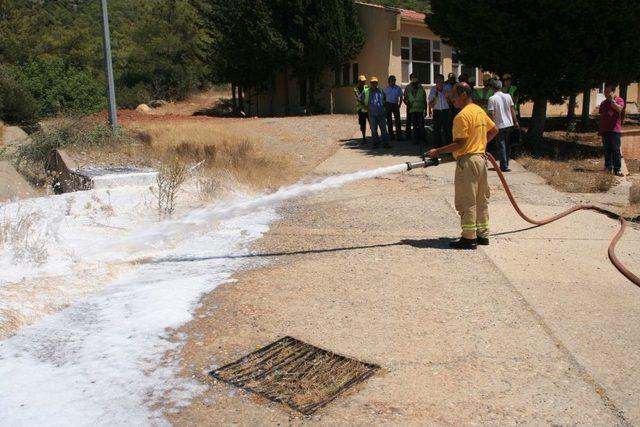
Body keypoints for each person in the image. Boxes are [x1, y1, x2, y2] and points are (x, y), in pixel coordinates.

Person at [426, 82, 499, 250]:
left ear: (464, 95)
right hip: (481, 160)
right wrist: (480, 144)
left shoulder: (462, 116)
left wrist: (437, 151)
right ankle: (482, 235)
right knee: (481, 199)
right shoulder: (479, 111)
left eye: (453, 94)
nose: (451, 98)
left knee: (467, 200)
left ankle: (468, 238)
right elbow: (494, 130)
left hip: (468, 162)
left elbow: (460, 143)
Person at [487, 79, 519, 172]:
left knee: (501, 145)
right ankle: (506, 164)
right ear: (501, 87)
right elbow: (512, 110)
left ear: (492, 88)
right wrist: (515, 121)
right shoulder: (508, 96)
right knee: (507, 145)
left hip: (499, 125)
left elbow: (492, 114)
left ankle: (503, 166)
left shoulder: (492, 99)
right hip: (509, 123)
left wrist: (492, 126)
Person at [598, 83, 625, 176]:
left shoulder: (619, 100)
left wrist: (612, 101)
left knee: (615, 150)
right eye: (605, 92)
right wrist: (600, 129)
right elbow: (602, 116)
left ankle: (617, 169)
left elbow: (619, 109)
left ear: (613, 92)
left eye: (608, 92)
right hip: (605, 129)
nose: (606, 94)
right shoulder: (603, 103)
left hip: (615, 130)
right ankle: (608, 167)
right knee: (607, 149)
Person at [359, 76, 390, 148]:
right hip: (372, 114)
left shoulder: (380, 90)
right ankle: (375, 144)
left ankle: (386, 144)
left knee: (384, 129)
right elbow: (360, 99)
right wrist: (365, 106)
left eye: (375, 82)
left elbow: (384, 98)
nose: (374, 84)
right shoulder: (366, 91)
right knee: (373, 130)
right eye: (372, 82)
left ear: (377, 83)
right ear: (370, 83)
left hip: (381, 113)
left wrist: (384, 106)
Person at [428, 74, 452, 148]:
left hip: (446, 111)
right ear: (435, 82)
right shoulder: (433, 89)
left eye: (441, 81)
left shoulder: (447, 88)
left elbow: (451, 101)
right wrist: (436, 96)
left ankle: (448, 147)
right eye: (438, 81)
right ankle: (438, 147)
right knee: (436, 130)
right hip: (437, 112)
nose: (440, 83)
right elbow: (431, 104)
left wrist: (444, 93)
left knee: (447, 130)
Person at [404, 73, 427, 144]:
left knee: (421, 125)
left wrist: (426, 110)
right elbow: (405, 98)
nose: (414, 79)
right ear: (410, 79)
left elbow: (424, 98)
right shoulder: (408, 87)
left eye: (415, 77)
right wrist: (408, 104)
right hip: (412, 110)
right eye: (412, 78)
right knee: (413, 125)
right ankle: (414, 139)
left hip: (420, 110)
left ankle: (422, 139)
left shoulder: (421, 87)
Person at [384, 75, 403, 141]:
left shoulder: (398, 88)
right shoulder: (386, 89)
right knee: (389, 121)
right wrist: (384, 105)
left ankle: (399, 135)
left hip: (395, 105)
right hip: (388, 105)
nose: (394, 81)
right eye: (392, 80)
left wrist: (399, 105)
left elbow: (401, 97)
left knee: (398, 120)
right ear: (389, 81)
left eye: (394, 80)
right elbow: (383, 97)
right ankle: (391, 135)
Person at [353, 75, 368, 145]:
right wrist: (365, 105)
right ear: (359, 81)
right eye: (362, 81)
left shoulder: (367, 87)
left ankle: (375, 136)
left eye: (364, 81)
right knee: (363, 123)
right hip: (361, 109)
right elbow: (358, 98)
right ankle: (364, 137)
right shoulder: (356, 89)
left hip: (368, 108)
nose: (364, 82)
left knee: (372, 122)